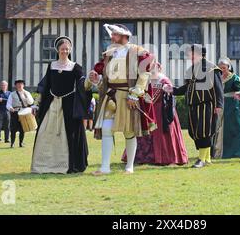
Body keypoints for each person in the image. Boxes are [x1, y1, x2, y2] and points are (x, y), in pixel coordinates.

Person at [86, 24, 156, 175]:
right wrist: (96, 78)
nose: (112, 37)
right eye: (112, 35)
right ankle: (105, 167)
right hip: (110, 95)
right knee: (106, 128)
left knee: (128, 131)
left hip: (128, 95)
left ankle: (129, 166)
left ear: (125, 36)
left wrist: (134, 95)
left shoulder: (139, 52)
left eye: (115, 35)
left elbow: (144, 75)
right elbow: (103, 77)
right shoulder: (109, 53)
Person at [31, 36, 92, 174]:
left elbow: (82, 84)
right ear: (58, 50)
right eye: (62, 49)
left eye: (67, 49)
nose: (65, 51)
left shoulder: (75, 67)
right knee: (44, 133)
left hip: (69, 105)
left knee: (69, 134)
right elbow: (45, 85)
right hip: (51, 104)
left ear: (70, 50)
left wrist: (89, 81)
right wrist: (36, 104)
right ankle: (44, 165)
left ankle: (67, 164)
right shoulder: (52, 66)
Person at [164, 44, 224, 168]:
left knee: (204, 131)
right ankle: (207, 159)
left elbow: (218, 88)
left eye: (191, 53)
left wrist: (219, 105)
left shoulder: (211, 68)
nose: (188, 56)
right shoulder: (190, 70)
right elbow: (187, 88)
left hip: (207, 105)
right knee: (195, 132)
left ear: (199, 54)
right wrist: (173, 90)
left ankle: (201, 159)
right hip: (193, 105)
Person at [121, 62, 188, 165]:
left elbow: (169, 95)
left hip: (161, 112)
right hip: (148, 110)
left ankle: (163, 157)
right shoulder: (144, 81)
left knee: (161, 134)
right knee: (144, 133)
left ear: (159, 68)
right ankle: (141, 157)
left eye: (154, 68)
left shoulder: (163, 80)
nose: (152, 70)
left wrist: (167, 89)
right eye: (150, 68)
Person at [212, 57, 240, 159]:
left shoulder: (235, 78)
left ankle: (235, 151)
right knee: (217, 129)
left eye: (224, 68)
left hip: (233, 106)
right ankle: (217, 152)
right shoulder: (216, 78)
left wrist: (239, 93)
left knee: (233, 130)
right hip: (219, 105)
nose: (222, 70)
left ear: (228, 67)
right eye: (220, 68)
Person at [6, 79, 34, 148]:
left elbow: (31, 102)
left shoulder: (27, 93)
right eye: (17, 84)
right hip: (15, 112)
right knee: (13, 129)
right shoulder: (12, 94)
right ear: (15, 86)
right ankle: (12, 143)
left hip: (24, 113)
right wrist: (10, 108)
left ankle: (21, 143)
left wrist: (26, 96)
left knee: (23, 129)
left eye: (21, 84)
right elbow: (8, 104)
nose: (19, 85)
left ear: (23, 85)